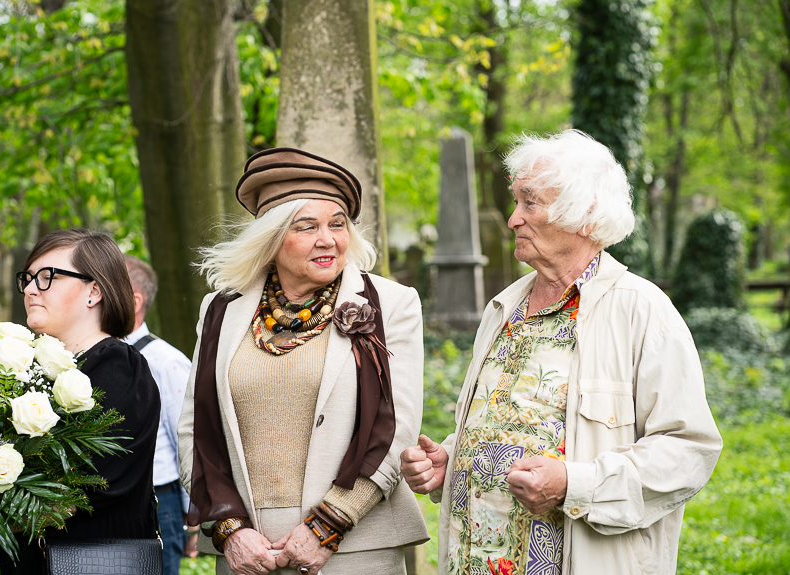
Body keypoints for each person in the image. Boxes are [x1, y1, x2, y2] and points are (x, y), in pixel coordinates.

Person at [400, 130, 723, 575]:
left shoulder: (641, 310)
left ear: (585, 215)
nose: (514, 219)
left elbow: (689, 449)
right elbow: (513, 421)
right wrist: (450, 460)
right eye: (517, 202)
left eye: (529, 203)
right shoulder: (504, 308)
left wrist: (576, 485)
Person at [177, 148, 429, 575]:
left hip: (355, 546)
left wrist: (327, 525)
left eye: (337, 224)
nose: (327, 238)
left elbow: (396, 428)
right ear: (272, 238)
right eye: (306, 226)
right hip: (246, 552)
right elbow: (195, 428)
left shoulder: (391, 303)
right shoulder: (220, 308)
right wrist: (231, 529)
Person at [0, 229, 161, 574]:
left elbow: (90, 485)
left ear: (94, 291)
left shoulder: (119, 368)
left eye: (47, 277)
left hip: (85, 560)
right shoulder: (25, 368)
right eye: (27, 279)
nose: (29, 289)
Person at [124, 254, 199, 575]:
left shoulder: (166, 362)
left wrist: (192, 518)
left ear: (134, 300)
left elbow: (188, 441)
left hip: (159, 500)